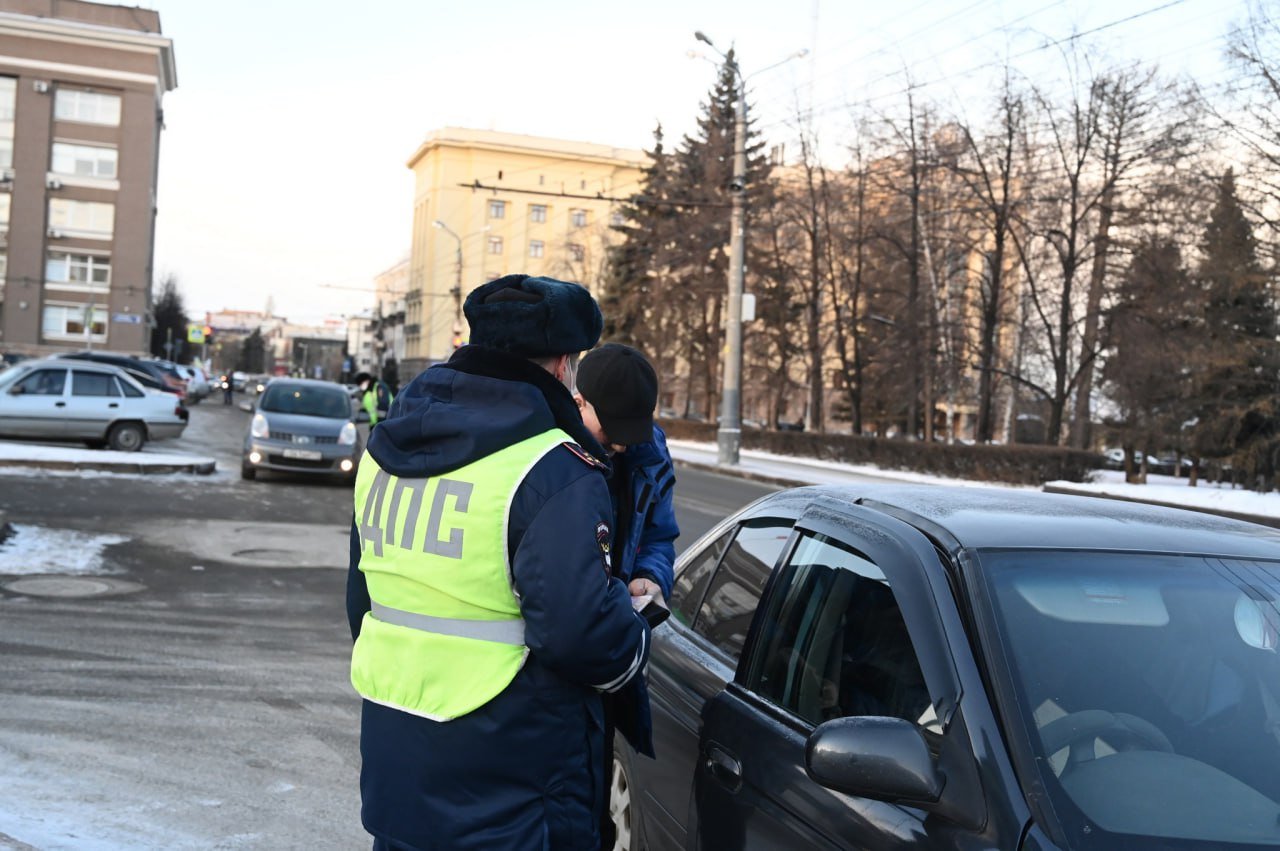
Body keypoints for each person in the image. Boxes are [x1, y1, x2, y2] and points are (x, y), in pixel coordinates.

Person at [346, 274, 653, 851]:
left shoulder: (384, 451)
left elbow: (362, 605)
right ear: (565, 363)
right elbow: (582, 636)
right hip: (514, 783)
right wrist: (633, 629)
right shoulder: (553, 468)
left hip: (397, 765)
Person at [573, 343, 679, 849]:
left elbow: (660, 534)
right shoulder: (551, 453)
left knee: (595, 805)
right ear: (580, 402)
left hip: (615, 648)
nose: (618, 444)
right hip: (560, 654)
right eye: (609, 427)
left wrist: (651, 578)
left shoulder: (649, 452)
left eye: (629, 430)